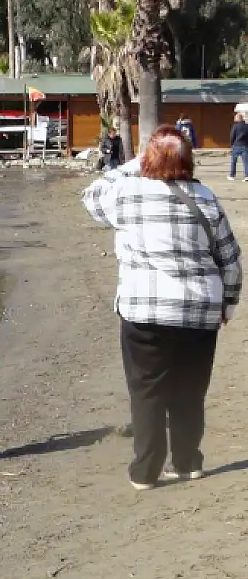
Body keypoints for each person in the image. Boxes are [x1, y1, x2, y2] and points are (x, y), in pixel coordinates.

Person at [82, 125, 243, 491]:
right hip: (199, 309)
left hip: (145, 309)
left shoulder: (126, 192)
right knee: (189, 389)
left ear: (148, 160)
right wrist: (228, 303)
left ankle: (145, 470)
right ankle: (187, 462)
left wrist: (132, 164)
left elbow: (91, 195)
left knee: (146, 390)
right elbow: (230, 260)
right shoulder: (205, 197)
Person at [230, 113, 248, 181]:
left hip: (236, 145)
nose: (234, 119)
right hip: (245, 146)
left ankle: (232, 175)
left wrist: (231, 144)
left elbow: (232, 136)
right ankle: (247, 176)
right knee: (246, 162)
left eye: (235, 118)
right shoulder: (247, 126)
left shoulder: (235, 126)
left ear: (238, 118)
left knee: (233, 161)